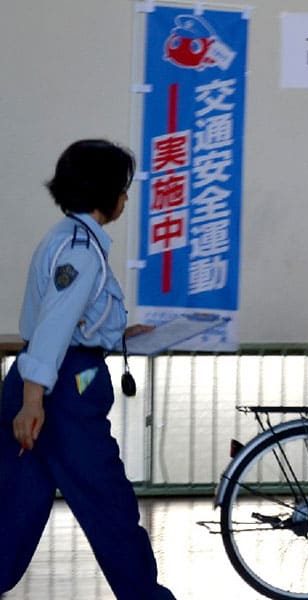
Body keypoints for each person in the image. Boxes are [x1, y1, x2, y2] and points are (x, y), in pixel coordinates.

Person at [0, 140, 176, 599]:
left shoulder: (66, 237)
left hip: (44, 380)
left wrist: (119, 331)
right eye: (124, 189)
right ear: (109, 195)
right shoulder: (81, 251)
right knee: (109, 507)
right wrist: (33, 401)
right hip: (63, 390)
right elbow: (58, 328)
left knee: (13, 514)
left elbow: (70, 320)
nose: (125, 198)